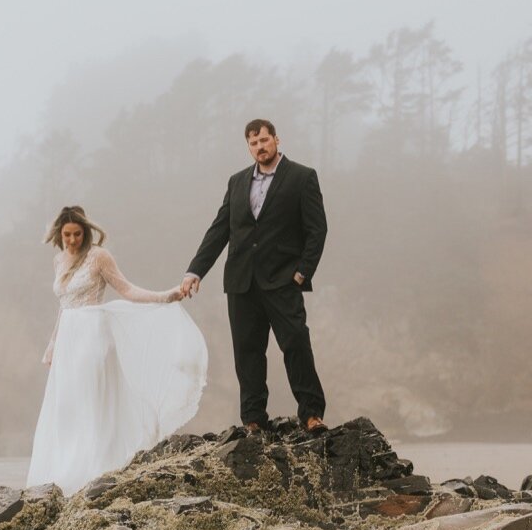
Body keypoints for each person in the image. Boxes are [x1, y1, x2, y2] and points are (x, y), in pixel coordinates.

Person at [27, 206, 208, 494]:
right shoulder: (59, 260)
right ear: (59, 234)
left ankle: (94, 471)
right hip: (69, 340)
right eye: (67, 235)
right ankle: (65, 470)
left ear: (86, 232)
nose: (72, 240)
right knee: (67, 407)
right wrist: (52, 344)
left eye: (77, 234)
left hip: (93, 336)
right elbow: (63, 307)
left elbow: (127, 289)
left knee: (92, 401)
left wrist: (164, 296)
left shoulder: (99, 256)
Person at [181, 119, 329, 434]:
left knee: (296, 344)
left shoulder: (302, 177)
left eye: (264, 140)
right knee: (247, 351)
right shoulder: (236, 182)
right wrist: (195, 270)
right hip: (241, 281)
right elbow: (220, 229)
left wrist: (302, 272)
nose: (259, 147)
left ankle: (312, 414)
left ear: (276, 139)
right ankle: (253, 419)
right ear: (248, 146)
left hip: (284, 280)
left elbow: (317, 230)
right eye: (253, 143)